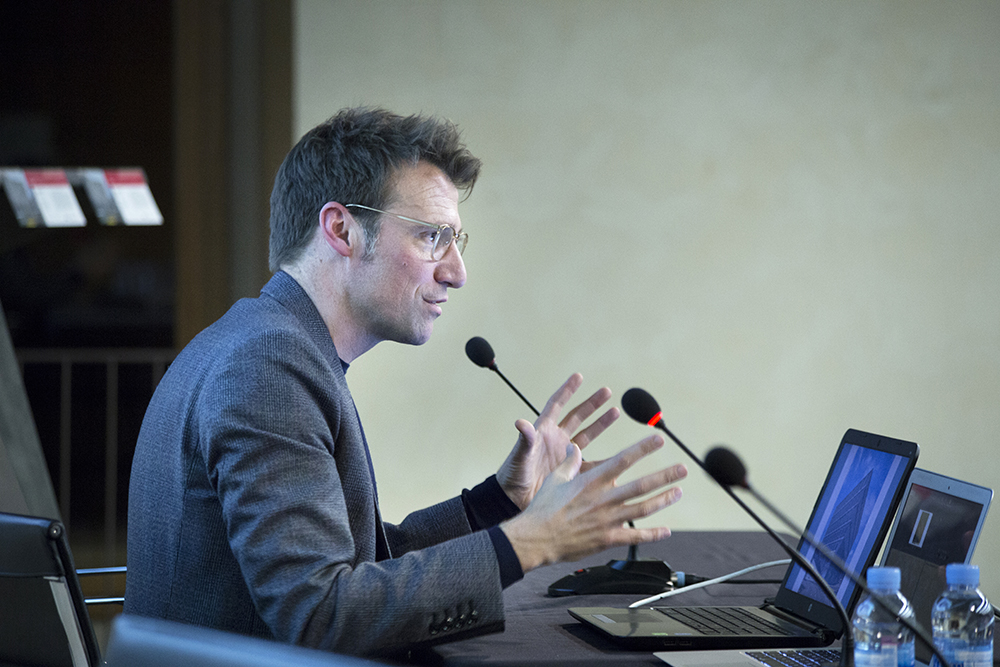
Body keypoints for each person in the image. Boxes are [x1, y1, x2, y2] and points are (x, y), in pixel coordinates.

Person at [125, 107, 688, 659]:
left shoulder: (267, 341)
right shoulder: (270, 366)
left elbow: (358, 564)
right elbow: (320, 615)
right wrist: (532, 541)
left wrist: (501, 503)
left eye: (456, 240)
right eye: (431, 236)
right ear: (342, 229)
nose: (457, 272)